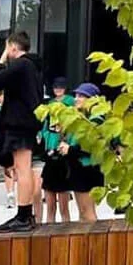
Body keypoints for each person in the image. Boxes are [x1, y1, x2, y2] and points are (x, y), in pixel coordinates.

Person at [0, 33, 45, 233]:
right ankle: (26, 214)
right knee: (23, 168)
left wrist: (3, 57)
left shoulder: (21, 65)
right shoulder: (31, 67)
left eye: (8, 48)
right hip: (27, 123)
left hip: (20, 123)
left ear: (13, 47)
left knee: (22, 169)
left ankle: (23, 214)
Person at [67, 82, 108, 220]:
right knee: (82, 213)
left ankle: (93, 241)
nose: (76, 99)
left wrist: (69, 149)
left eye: (81, 96)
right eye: (76, 95)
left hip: (88, 168)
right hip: (79, 167)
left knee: (87, 212)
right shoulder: (81, 118)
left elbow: (90, 146)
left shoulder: (96, 120)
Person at [38, 78, 74, 224]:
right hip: (50, 146)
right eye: (55, 87)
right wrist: (44, 138)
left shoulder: (71, 103)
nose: (58, 89)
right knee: (50, 204)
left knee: (64, 206)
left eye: (61, 87)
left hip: (64, 148)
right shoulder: (50, 104)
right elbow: (45, 125)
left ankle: (66, 229)